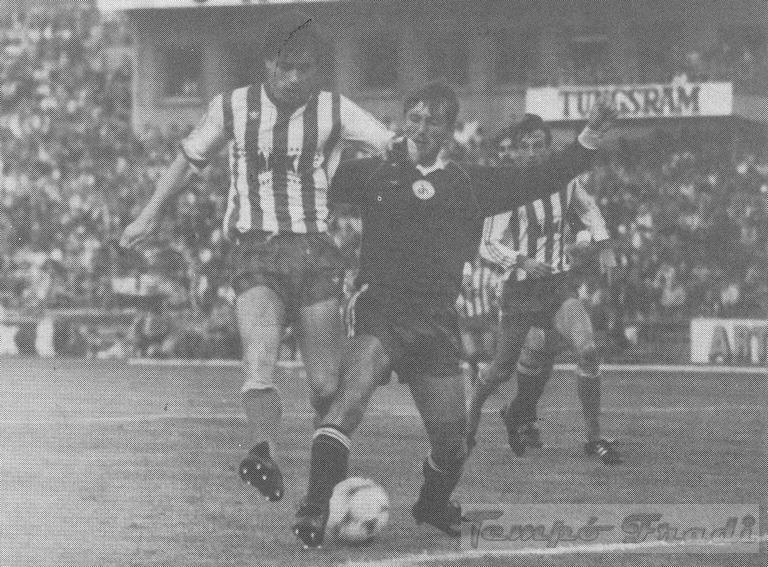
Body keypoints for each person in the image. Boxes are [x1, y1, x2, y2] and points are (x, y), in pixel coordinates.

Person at [292, 84, 616, 548]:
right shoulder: (375, 173)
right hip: (382, 310)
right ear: (404, 120)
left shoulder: (469, 183)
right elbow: (306, 177)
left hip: (437, 321)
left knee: (452, 441)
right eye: (415, 118)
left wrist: (587, 137)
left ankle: (431, 504)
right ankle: (314, 509)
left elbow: (539, 178)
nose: (422, 128)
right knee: (350, 402)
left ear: (449, 130)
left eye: (434, 121)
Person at [120, 10, 394, 503]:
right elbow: (187, 160)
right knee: (260, 361)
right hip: (256, 249)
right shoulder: (233, 107)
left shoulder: (335, 109)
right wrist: (149, 213)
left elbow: (391, 146)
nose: (294, 77)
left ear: (317, 69)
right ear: (267, 63)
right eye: (285, 66)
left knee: (326, 386)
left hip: (314, 250)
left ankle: (323, 490)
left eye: (305, 68)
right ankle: (262, 453)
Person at [466, 114, 622, 464]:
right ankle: (471, 419)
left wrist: (603, 245)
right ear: (518, 150)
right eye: (526, 146)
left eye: (539, 145)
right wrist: (521, 261)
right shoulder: (506, 188)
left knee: (587, 350)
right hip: (519, 292)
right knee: (501, 370)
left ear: (548, 148)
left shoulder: (564, 180)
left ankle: (593, 438)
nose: (533, 152)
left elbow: (589, 209)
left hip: (556, 286)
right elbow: (487, 244)